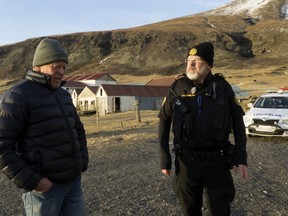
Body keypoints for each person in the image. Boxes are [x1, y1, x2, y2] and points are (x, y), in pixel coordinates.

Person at [0, 38, 89, 216]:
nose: (61, 72)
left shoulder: (63, 95)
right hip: (44, 190)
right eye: (56, 66)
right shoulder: (19, 95)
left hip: (73, 184)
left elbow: (77, 131)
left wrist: (82, 162)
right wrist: (34, 182)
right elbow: (2, 146)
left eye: (64, 67)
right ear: (38, 66)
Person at [158, 41, 248, 216]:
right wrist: (164, 158)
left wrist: (241, 156)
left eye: (196, 60)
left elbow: (238, 121)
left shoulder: (223, 87)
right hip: (186, 162)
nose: (190, 64)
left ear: (209, 65)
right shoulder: (177, 87)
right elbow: (163, 120)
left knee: (220, 210)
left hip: (218, 161)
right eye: (188, 60)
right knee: (190, 209)